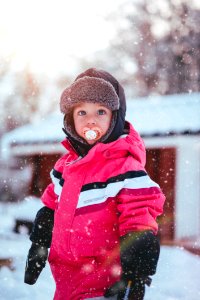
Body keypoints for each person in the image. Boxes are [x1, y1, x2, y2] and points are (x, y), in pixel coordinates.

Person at [24, 68, 165, 300]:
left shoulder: (125, 169)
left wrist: (135, 276)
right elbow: (51, 206)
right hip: (66, 282)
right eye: (82, 112)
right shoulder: (65, 166)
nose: (90, 119)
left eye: (100, 111)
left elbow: (139, 219)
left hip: (105, 284)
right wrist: (39, 243)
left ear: (115, 118)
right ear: (70, 119)